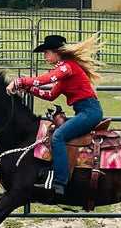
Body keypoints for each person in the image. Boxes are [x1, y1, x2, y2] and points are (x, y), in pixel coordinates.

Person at [6, 33, 104, 195]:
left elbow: (47, 79)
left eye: (46, 52)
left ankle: (60, 181)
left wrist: (19, 82)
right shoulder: (65, 70)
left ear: (56, 52)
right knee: (58, 135)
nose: (44, 55)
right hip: (86, 110)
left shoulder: (66, 67)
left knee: (58, 136)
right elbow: (50, 94)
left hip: (89, 111)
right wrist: (30, 89)